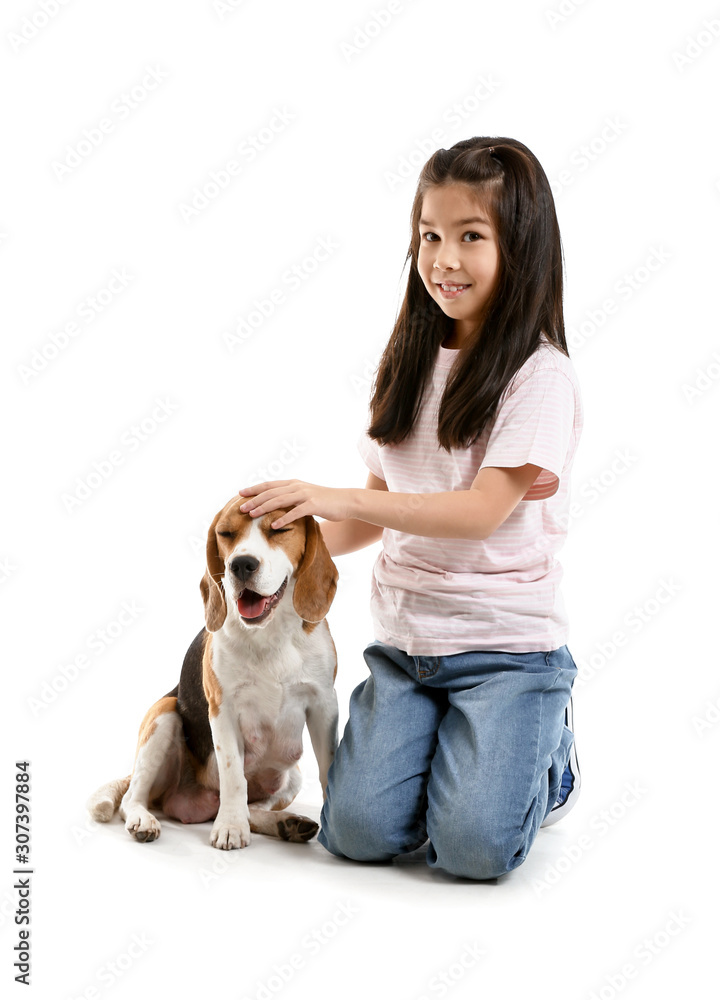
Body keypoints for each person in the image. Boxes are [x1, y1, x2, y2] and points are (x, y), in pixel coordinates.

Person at [238, 136, 583, 881]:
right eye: (430, 235)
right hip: (407, 651)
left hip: (506, 655)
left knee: (473, 852)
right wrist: (277, 562)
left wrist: (333, 494)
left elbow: (479, 512)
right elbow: (378, 512)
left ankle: (548, 755)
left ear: (520, 246)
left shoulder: (540, 376)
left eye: (471, 236)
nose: (443, 259)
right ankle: (455, 755)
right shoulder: (409, 359)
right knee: (354, 834)